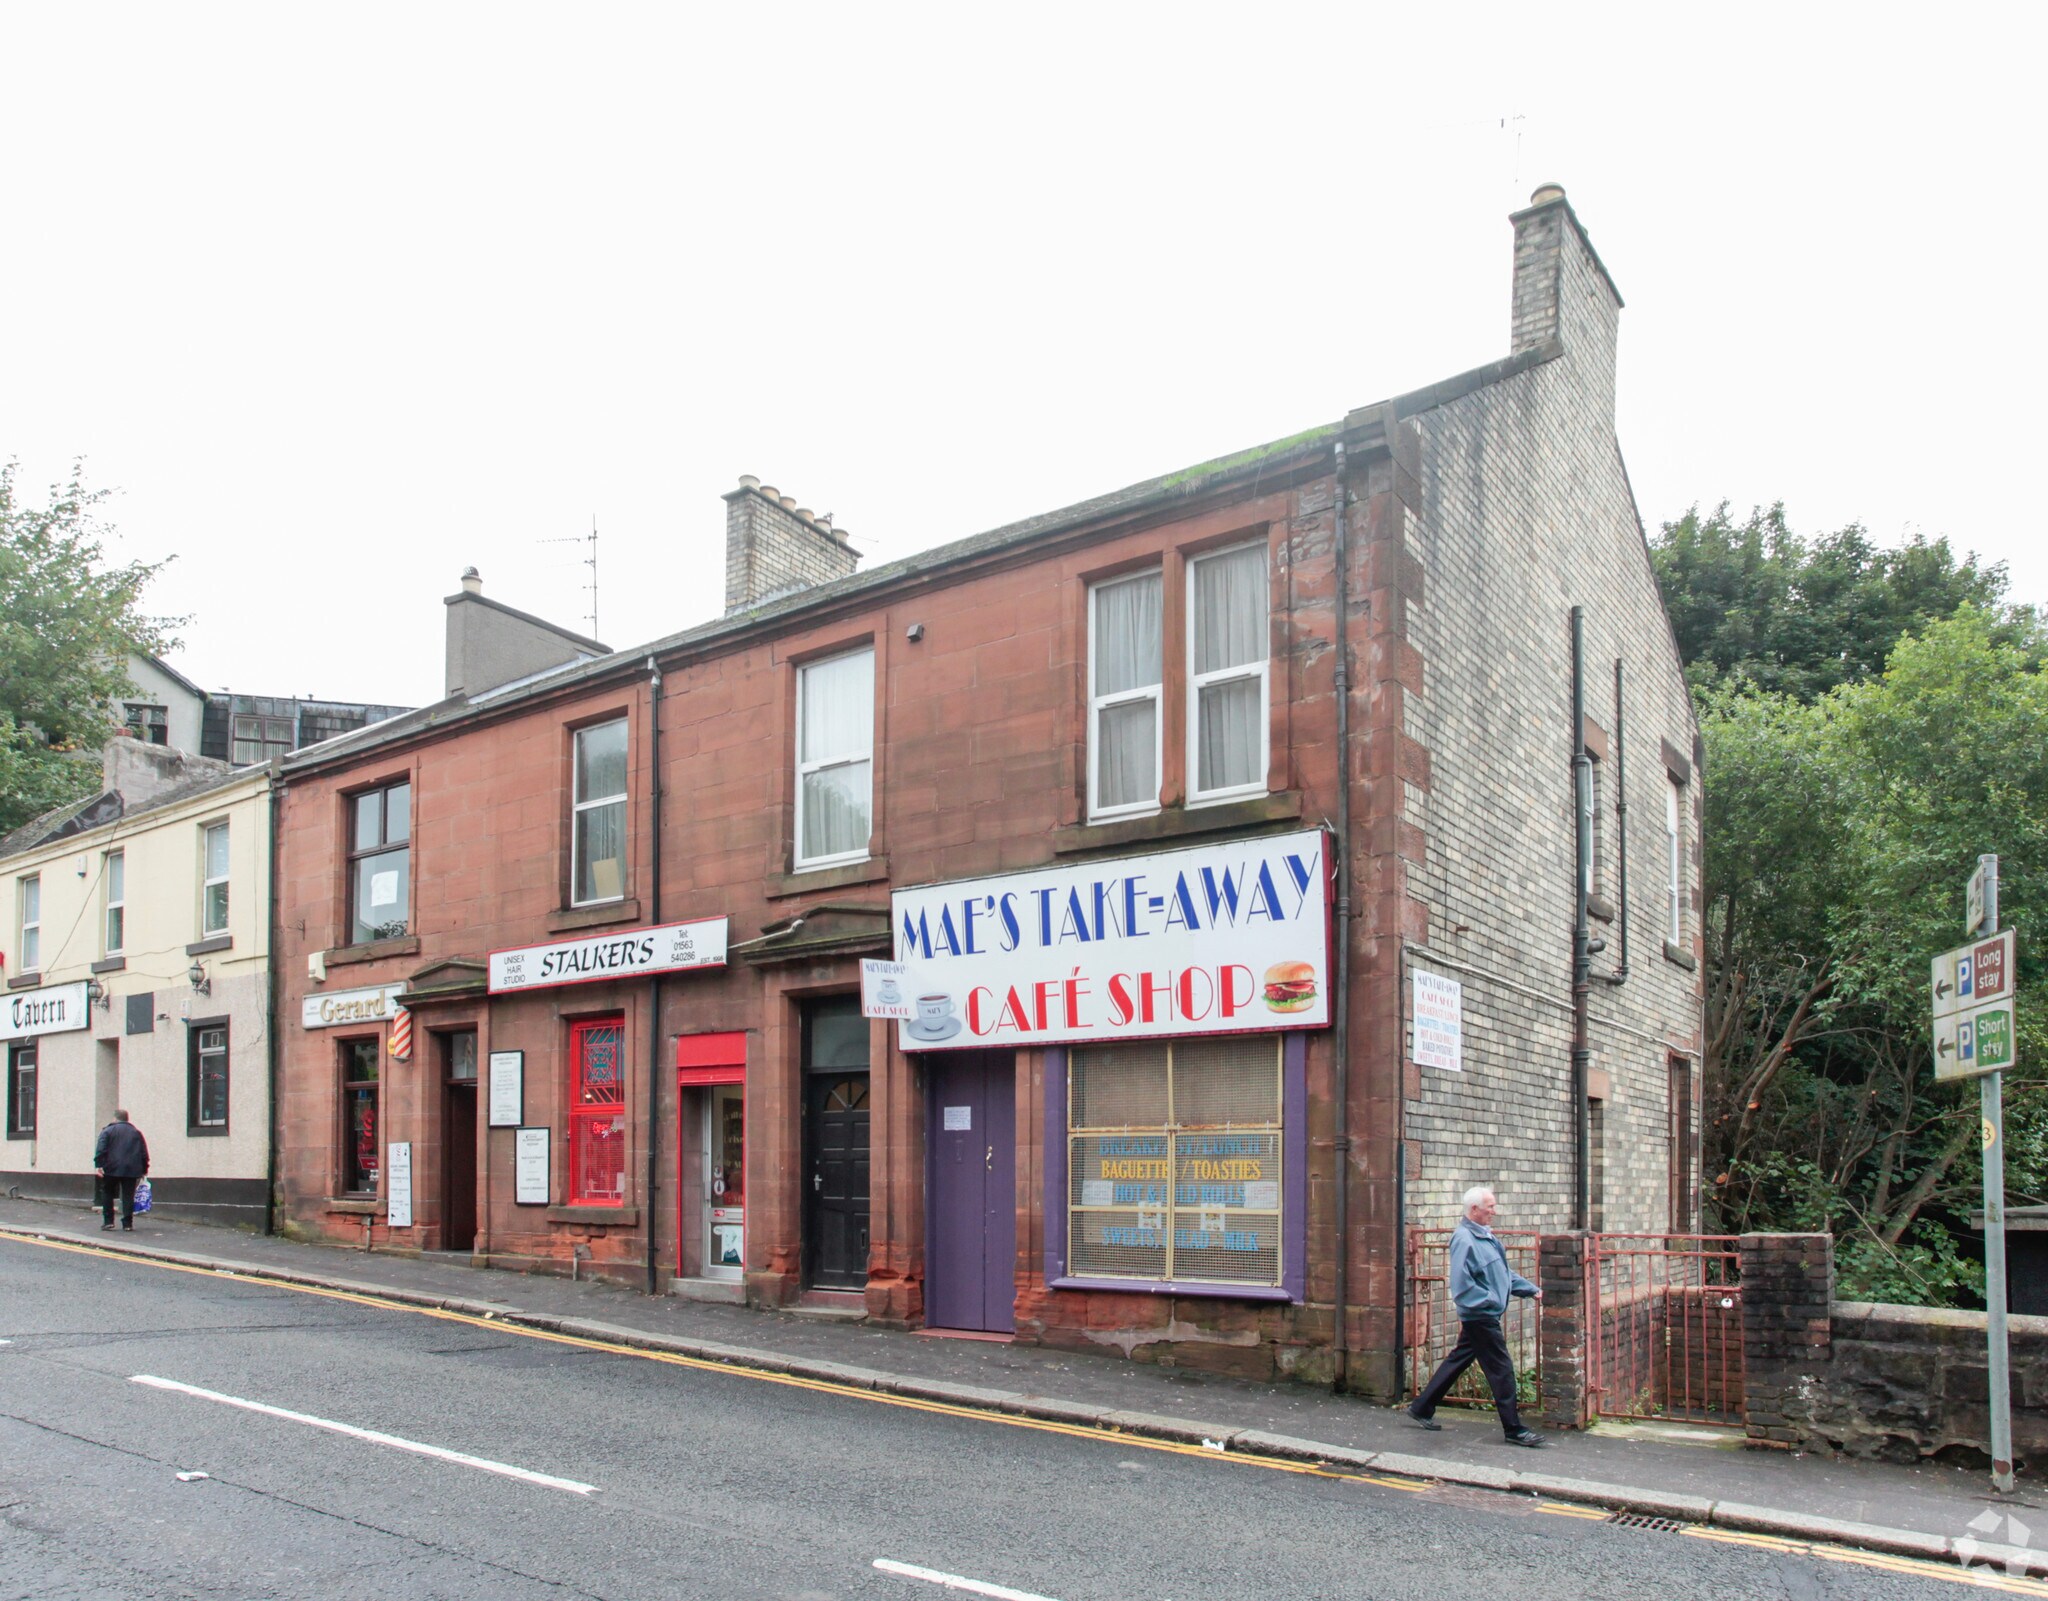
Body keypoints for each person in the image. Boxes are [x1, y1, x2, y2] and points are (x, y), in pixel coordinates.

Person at [1407, 1185, 1547, 1447]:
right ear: (1474, 1210)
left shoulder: (1486, 1237)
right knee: (1502, 1370)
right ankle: (1514, 1429)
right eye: (1490, 1207)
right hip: (1480, 1316)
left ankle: (1422, 1407)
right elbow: (1461, 1285)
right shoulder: (1464, 1239)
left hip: (1482, 1314)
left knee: (1458, 1359)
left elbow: (1501, 1275)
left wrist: (1530, 1290)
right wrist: (1490, 1301)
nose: (1494, 1211)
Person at [93, 1110, 150, 1231]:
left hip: (111, 1168)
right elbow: (144, 1152)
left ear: (115, 1118)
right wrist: (144, 1168)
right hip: (132, 1168)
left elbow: (101, 1149)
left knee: (107, 1192)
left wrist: (99, 1165)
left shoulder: (108, 1131)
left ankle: (108, 1221)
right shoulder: (136, 1133)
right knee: (128, 1195)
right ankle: (127, 1223)